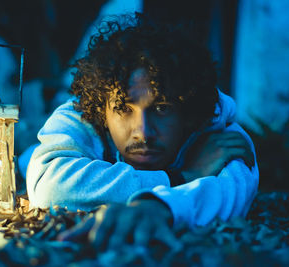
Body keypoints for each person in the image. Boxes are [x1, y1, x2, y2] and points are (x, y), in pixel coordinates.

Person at [26, 13, 259, 248]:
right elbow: (51, 187)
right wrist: (181, 177)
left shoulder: (216, 126)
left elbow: (233, 191)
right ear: (102, 111)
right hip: (45, 153)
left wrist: (158, 207)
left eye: (161, 108)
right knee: (27, 159)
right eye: (124, 108)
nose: (143, 132)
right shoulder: (83, 111)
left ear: (188, 111)